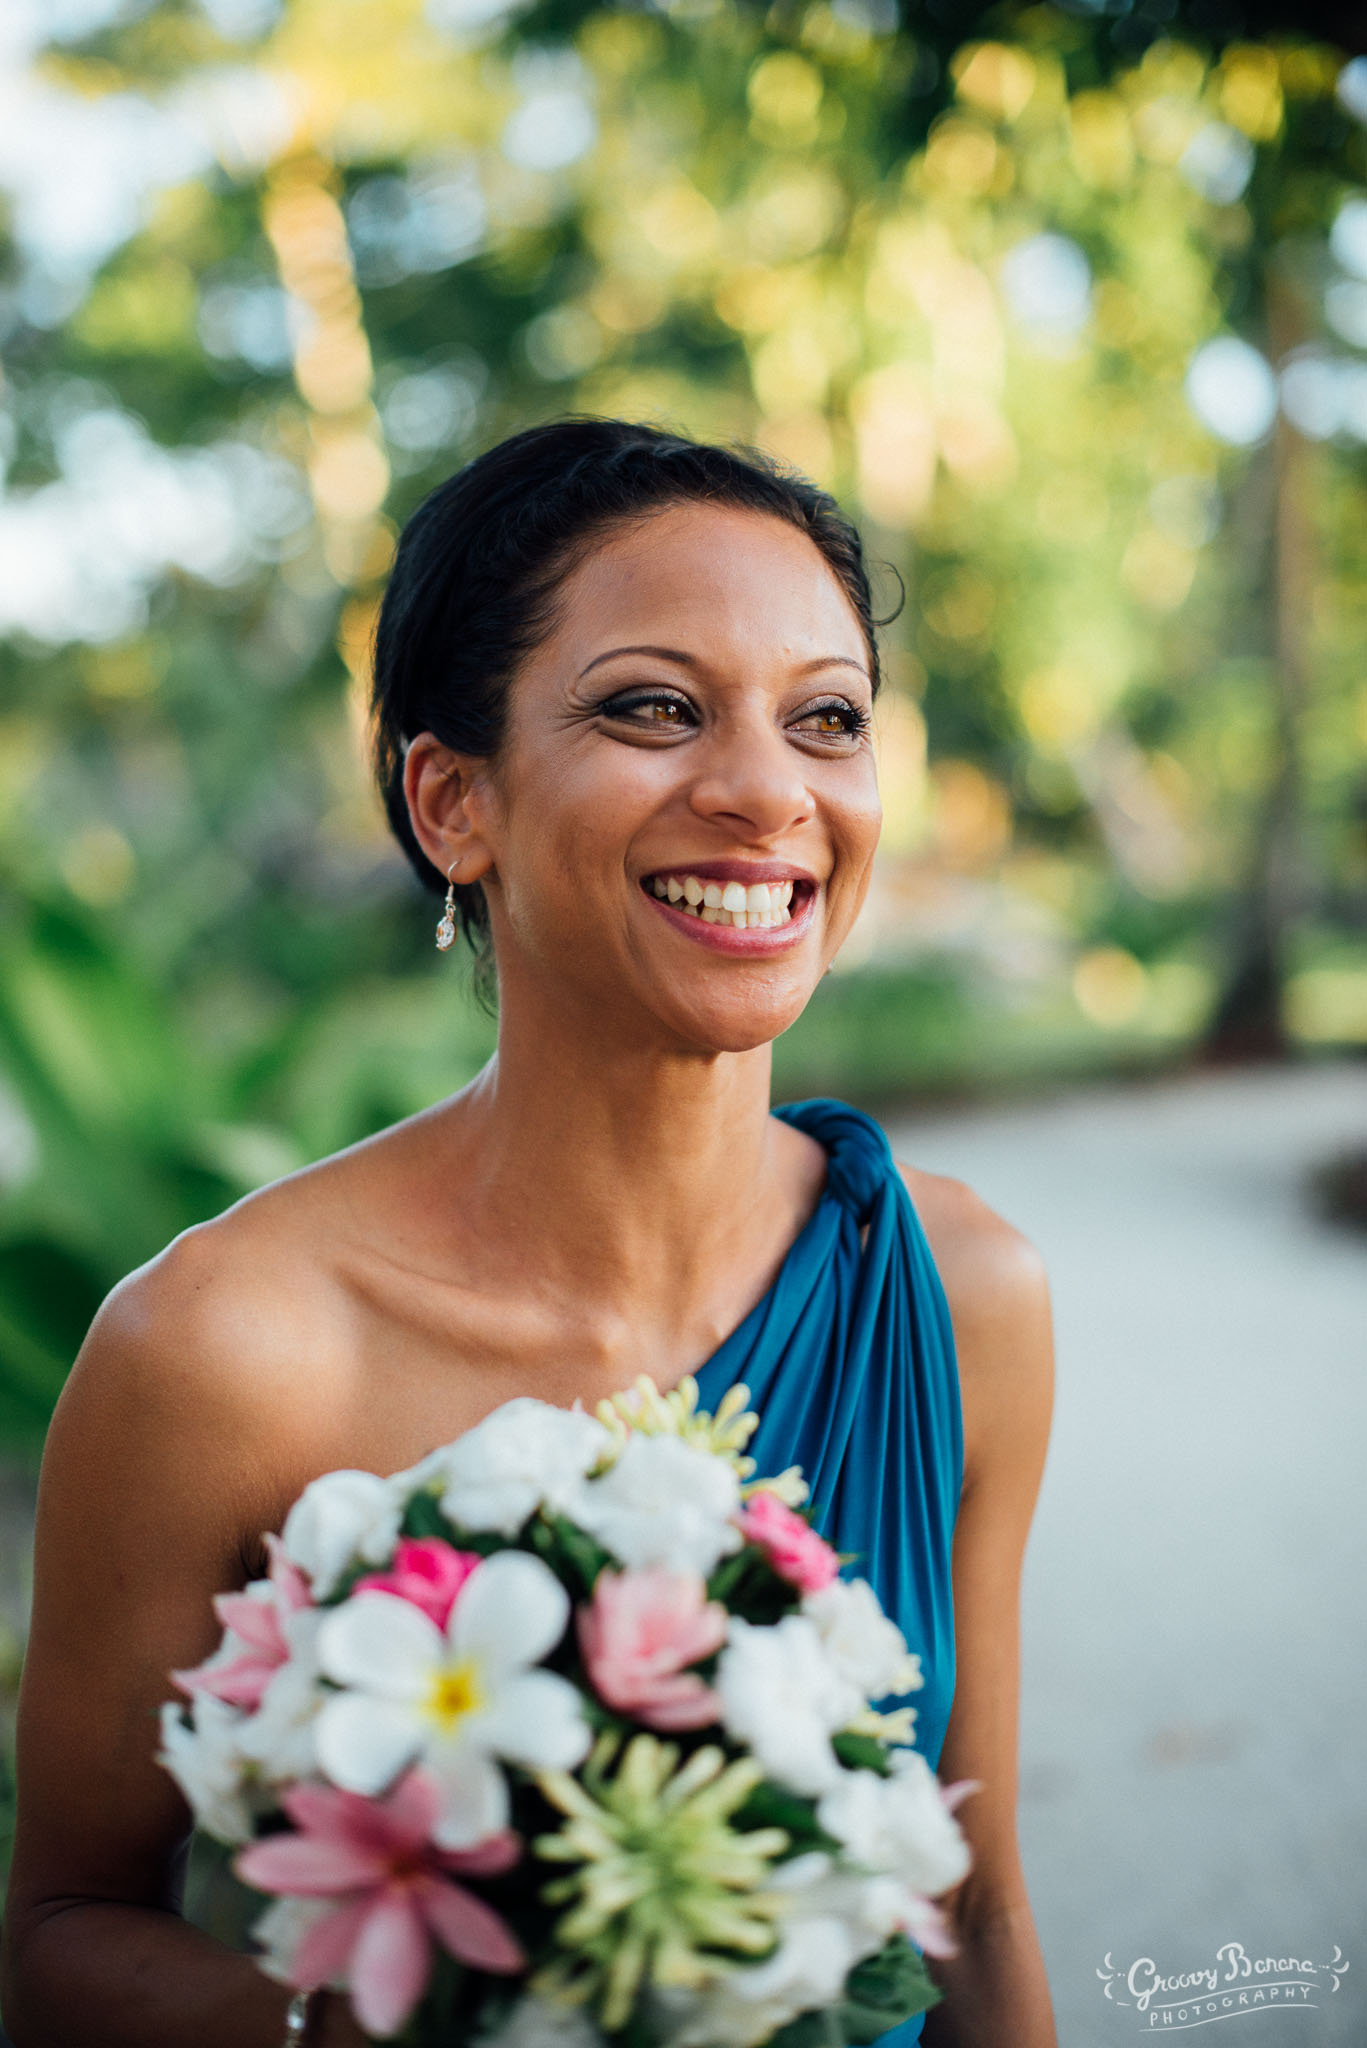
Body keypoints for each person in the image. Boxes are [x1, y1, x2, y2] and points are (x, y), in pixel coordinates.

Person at [0, 418, 1057, 2047]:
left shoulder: (962, 1294)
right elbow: (66, 1934)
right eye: (654, 707)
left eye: (827, 718)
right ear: (452, 802)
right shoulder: (224, 1353)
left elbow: (970, 1905)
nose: (767, 790)